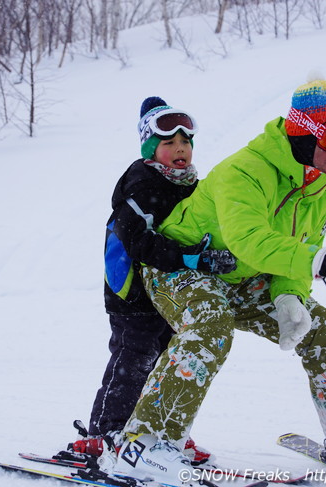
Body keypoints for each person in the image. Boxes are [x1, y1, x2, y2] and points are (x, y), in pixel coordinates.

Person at [101, 80, 326, 487]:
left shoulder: (317, 186)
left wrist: (290, 295)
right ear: (303, 132)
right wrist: (324, 262)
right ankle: (146, 444)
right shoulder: (244, 169)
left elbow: (300, 245)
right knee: (210, 325)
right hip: (181, 268)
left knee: (324, 332)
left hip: (240, 275)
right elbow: (249, 238)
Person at [69, 97, 237, 463]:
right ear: (150, 147)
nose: (181, 150)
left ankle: (160, 431)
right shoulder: (141, 184)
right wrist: (191, 256)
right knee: (133, 359)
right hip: (132, 291)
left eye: (186, 143)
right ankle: (104, 432)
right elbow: (139, 241)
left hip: (173, 290)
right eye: (169, 144)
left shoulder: (191, 184)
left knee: (169, 361)